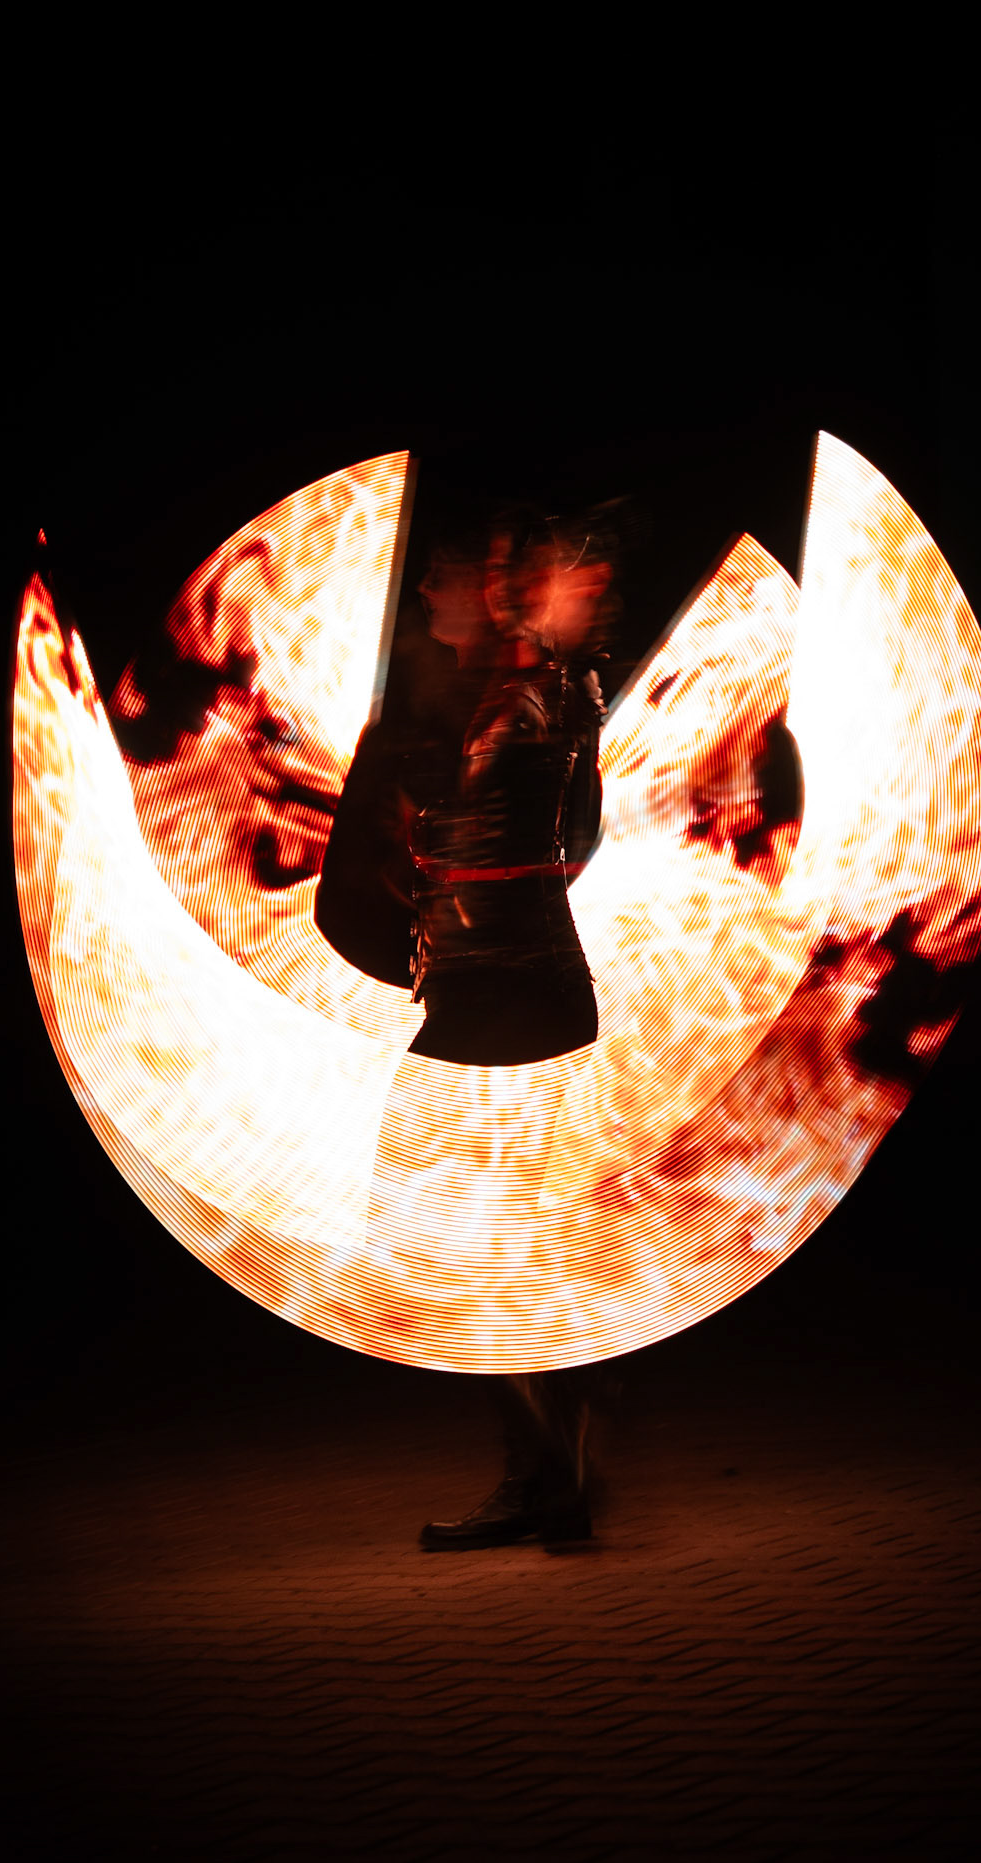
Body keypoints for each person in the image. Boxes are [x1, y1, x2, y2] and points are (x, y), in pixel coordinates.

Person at [315, 504, 618, 1549]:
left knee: (460, 1229)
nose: (437, 590)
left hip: (511, 998)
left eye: (454, 572)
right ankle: (550, 1461)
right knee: (481, 1236)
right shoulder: (500, 705)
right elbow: (555, 841)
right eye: (458, 572)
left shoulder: (533, 701)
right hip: (497, 994)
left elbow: (558, 832)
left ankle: (551, 1462)